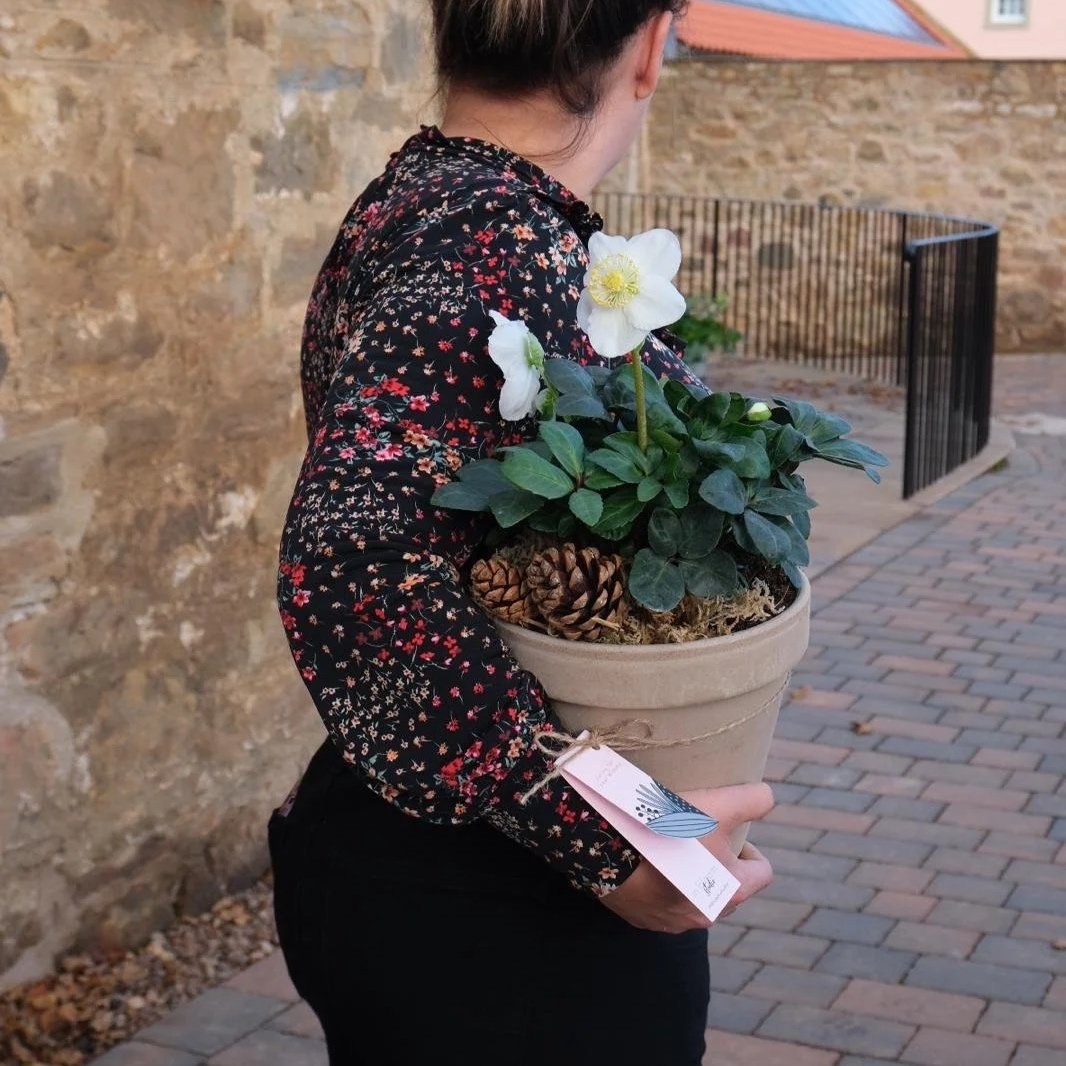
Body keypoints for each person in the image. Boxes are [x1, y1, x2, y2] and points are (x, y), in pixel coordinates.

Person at [269, 2, 776, 1063]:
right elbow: (355, 553)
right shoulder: (491, 240)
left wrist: (669, 833)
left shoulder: (422, 201)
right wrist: (631, 836)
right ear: (647, 49)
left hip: (443, 862)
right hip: (499, 904)